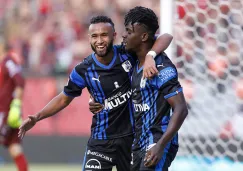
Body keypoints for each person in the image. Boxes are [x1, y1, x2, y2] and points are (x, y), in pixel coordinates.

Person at [18, 15, 172, 171]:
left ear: (114, 36)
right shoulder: (83, 70)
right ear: (89, 38)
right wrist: (37, 117)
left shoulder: (127, 54)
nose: (99, 41)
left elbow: (166, 37)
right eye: (94, 36)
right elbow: (64, 99)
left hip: (131, 139)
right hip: (101, 141)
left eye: (104, 35)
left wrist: (150, 56)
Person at [122, 6, 188, 171]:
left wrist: (160, 145)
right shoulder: (133, 59)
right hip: (138, 142)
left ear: (143, 36)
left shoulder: (162, 68)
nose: (124, 35)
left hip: (157, 140)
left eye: (129, 32)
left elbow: (181, 108)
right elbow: (163, 37)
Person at [0, 45, 28, 171]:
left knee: (14, 147)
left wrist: (16, 105)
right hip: (10, 112)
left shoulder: (8, 61)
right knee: (14, 147)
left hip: (6, 111)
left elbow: (20, 81)